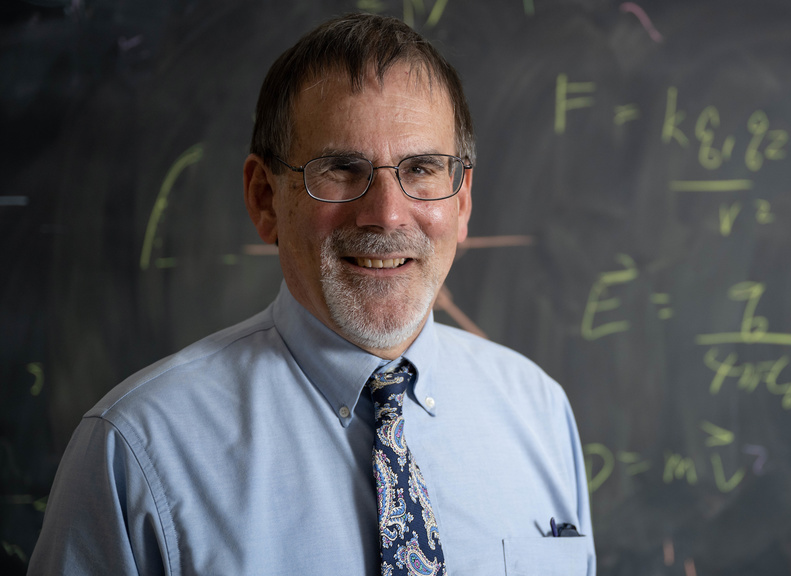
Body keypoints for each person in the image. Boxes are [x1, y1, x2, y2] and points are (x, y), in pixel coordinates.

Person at [29, 13, 595, 576]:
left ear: (462, 202)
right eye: (342, 170)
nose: (387, 215)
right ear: (264, 199)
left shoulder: (539, 414)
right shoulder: (135, 453)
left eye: (422, 168)